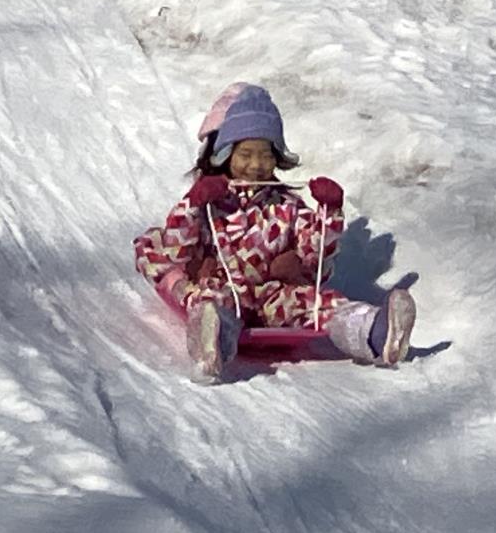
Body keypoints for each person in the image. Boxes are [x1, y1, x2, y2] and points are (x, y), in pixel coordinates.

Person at [134, 84, 417, 380]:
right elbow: (177, 251)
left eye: (266, 155)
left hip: (274, 295)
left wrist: (329, 213)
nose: (256, 165)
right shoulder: (209, 201)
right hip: (225, 289)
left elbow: (315, 258)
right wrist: (192, 206)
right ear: (226, 155)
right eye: (246, 154)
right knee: (211, 301)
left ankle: (374, 332)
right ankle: (212, 346)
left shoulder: (286, 205)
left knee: (318, 302)